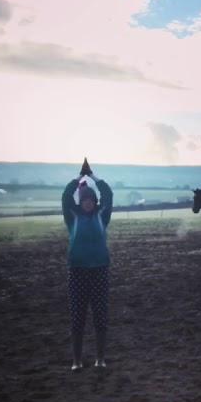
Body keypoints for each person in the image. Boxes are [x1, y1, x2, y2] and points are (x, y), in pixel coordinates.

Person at [61, 159, 113, 371]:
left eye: (91, 200)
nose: (89, 202)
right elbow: (65, 197)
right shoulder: (72, 216)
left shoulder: (102, 215)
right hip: (77, 271)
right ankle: (76, 360)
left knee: (100, 315)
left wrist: (92, 177)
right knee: (77, 316)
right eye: (85, 200)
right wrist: (78, 178)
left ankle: (100, 359)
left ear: (95, 201)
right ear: (80, 202)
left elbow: (108, 194)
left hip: (100, 270)